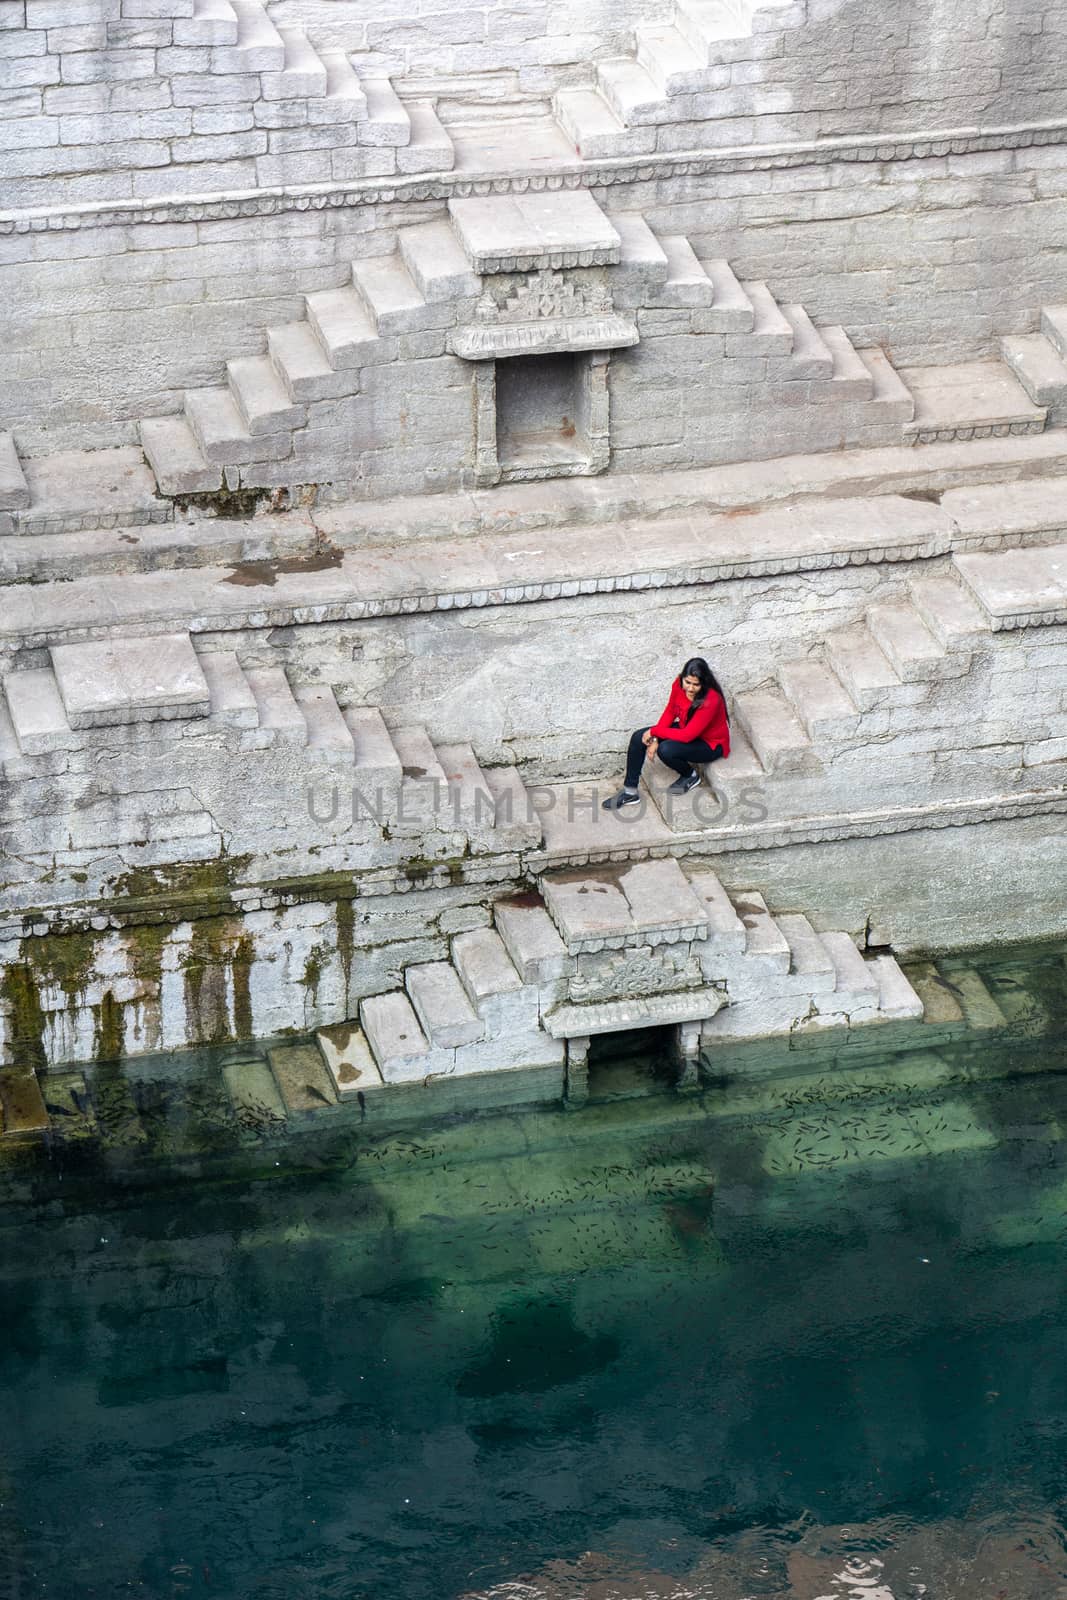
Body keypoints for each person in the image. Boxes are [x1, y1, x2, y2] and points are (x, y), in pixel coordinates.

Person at [602, 657, 731, 811]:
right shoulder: (678, 684)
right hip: (687, 728)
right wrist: (655, 738)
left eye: (696, 685)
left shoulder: (711, 700)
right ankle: (630, 792)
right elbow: (670, 711)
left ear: (704, 683)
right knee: (638, 737)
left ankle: (690, 775)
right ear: (682, 678)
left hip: (709, 744)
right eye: (687, 682)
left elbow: (687, 736)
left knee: (666, 749)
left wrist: (655, 732)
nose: (690, 688)